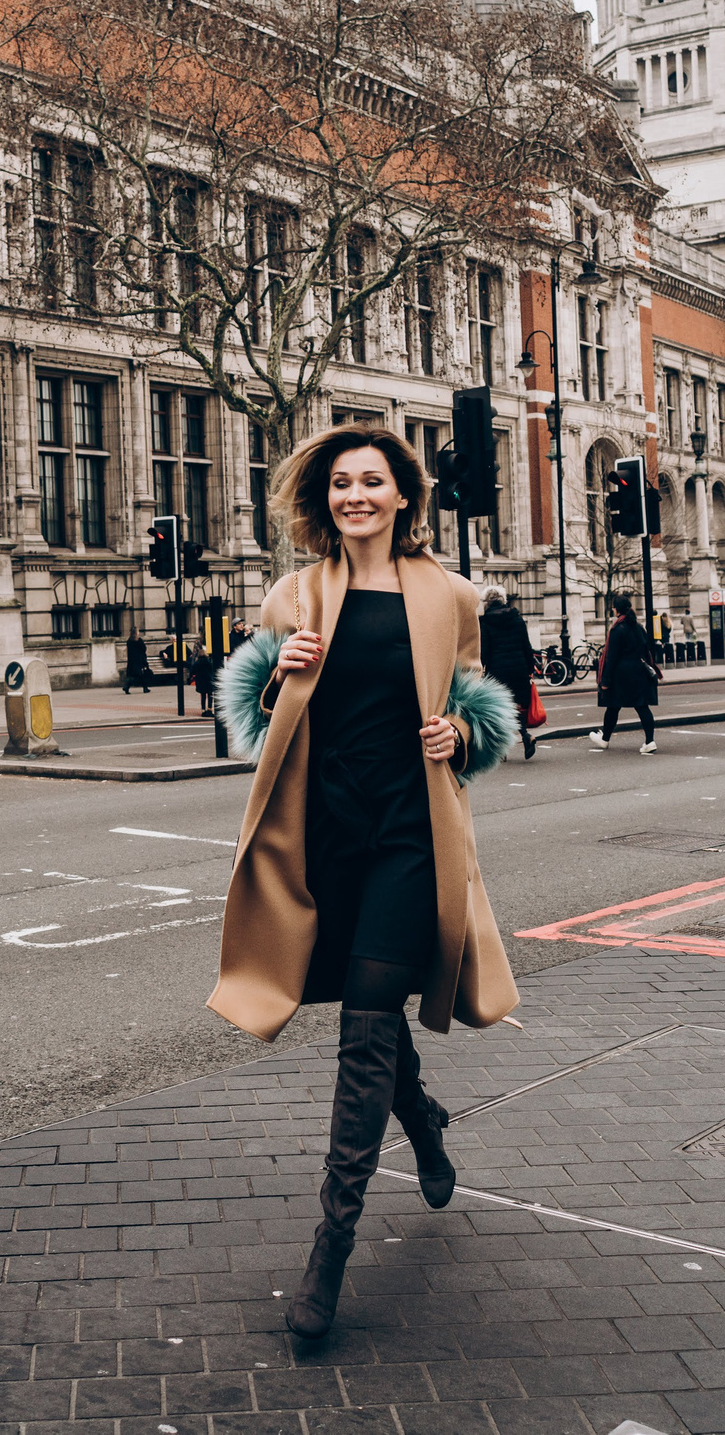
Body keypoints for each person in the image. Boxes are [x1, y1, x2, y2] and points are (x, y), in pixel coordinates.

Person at [210, 423, 521, 1341]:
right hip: (325, 839)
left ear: (402, 497)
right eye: (341, 483)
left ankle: (331, 1248)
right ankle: (422, 1119)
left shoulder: (447, 595)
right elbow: (248, 715)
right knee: (367, 1016)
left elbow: (482, 704)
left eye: (371, 482)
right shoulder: (294, 595)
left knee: (362, 1035)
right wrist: (278, 681)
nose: (355, 496)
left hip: (408, 842)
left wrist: (461, 736)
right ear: (326, 500)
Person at [588, 596, 661, 755]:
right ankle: (650, 741)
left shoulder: (617, 629)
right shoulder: (638, 627)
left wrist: (605, 681)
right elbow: (646, 649)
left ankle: (605, 739)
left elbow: (611, 658)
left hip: (621, 674)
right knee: (642, 707)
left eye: (613, 607)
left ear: (616, 609)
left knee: (613, 707)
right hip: (638, 670)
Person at [477, 584, 538, 759]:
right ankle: (526, 736)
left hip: (498, 671)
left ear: (487, 603)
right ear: (504, 600)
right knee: (516, 706)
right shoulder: (517, 619)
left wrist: (481, 671)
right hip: (518, 669)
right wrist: (529, 669)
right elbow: (527, 647)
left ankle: (502, 749)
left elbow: (484, 651)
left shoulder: (485, 622)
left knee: (499, 708)